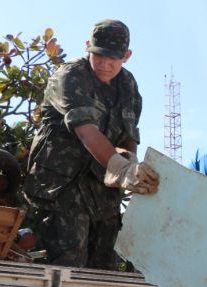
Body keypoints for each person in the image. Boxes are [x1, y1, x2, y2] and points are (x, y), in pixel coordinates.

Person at [24, 19, 158, 270]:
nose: (106, 64)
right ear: (88, 47)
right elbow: (86, 130)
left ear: (127, 56)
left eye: (114, 58)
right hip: (62, 187)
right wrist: (120, 168)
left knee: (104, 270)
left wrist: (130, 163)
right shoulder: (71, 75)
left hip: (102, 192)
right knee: (68, 267)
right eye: (99, 55)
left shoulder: (127, 85)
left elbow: (128, 133)